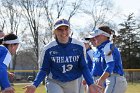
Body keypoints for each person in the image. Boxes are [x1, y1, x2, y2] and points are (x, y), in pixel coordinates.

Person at [23, 19, 102, 93]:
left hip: (73, 81)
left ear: (70, 30)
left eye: (66, 29)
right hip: (54, 81)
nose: (63, 32)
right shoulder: (48, 49)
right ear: (54, 32)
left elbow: (83, 67)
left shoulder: (79, 46)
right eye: (60, 29)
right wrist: (35, 84)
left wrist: (90, 83)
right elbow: (44, 69)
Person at [85, 25, 127, 93]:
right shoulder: (105, 47)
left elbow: (110, 66)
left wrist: (101, 79)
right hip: (112, 79)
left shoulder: (107, 47)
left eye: (97, 36)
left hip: (115, 79)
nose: (95, 38)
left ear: (104, 35)